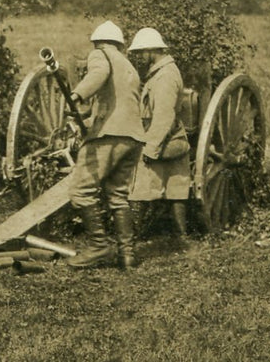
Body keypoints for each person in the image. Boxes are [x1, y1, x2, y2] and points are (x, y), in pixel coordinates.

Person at [65, 20, 145, 270]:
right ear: (120, 43)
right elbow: (117, 103)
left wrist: (77, 94)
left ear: (98, 42)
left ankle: (98, 246)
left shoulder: (100, 55)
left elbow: (97, 75)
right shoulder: (129, 66)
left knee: (81, 190)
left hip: (109, 135)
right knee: (118, 195)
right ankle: (127, 255)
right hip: (133, 138)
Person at [127, 27, 193, 243]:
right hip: (171, 137)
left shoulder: (165, 77)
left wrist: (150, 148)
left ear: (152, 50)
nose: (138, 57)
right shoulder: (162, 72)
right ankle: (179, 238)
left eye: (140, 52)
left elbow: (163, 117)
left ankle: (133, 239)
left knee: (141, 189)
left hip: (166, 138)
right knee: (176, 188)